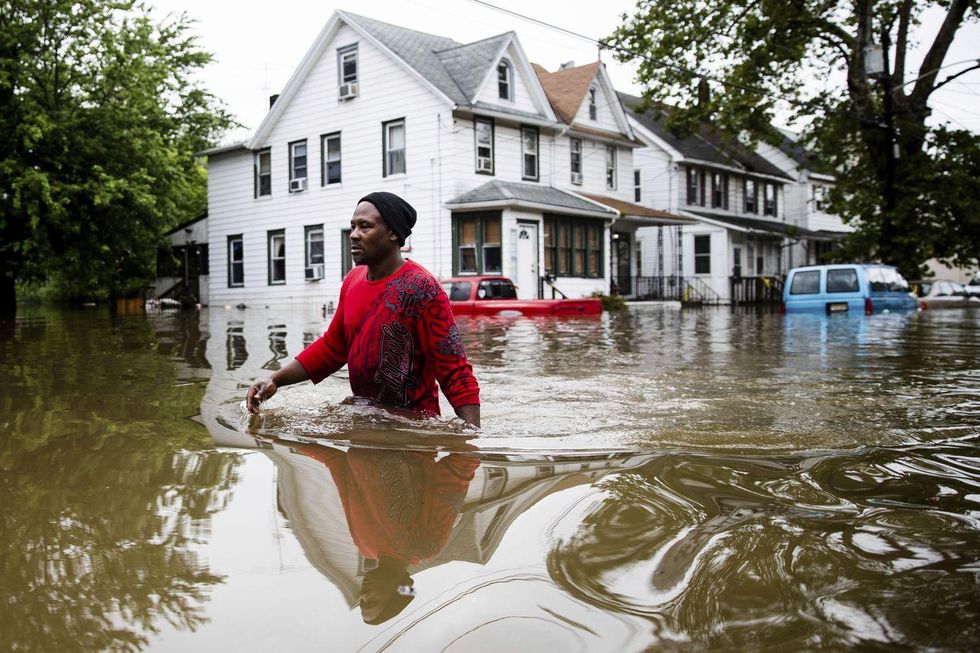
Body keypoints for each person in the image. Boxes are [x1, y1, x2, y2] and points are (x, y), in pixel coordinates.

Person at [246, 192, 481, 427]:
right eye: (353, 227)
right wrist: (275, 379)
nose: (354, 235)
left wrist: (472, 441)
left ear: (393, 233)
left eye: (364, 227)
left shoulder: (422, 289)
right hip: (363, 418)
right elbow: (333, 347)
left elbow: (455, 372)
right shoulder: (353, 280)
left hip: (411, 431)